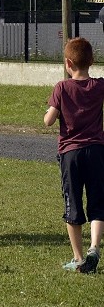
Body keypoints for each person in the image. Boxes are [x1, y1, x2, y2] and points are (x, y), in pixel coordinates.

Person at [44, 37, 104, 274]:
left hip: (71, 153)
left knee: (73, 205)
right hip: (97, 151)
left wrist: (50, 111)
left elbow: (48, 121)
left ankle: (79, 258)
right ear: (91, 61)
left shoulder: (62, 87)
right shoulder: (99, 86)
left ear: (68, 63)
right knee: (98, 203)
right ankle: (94, 248)